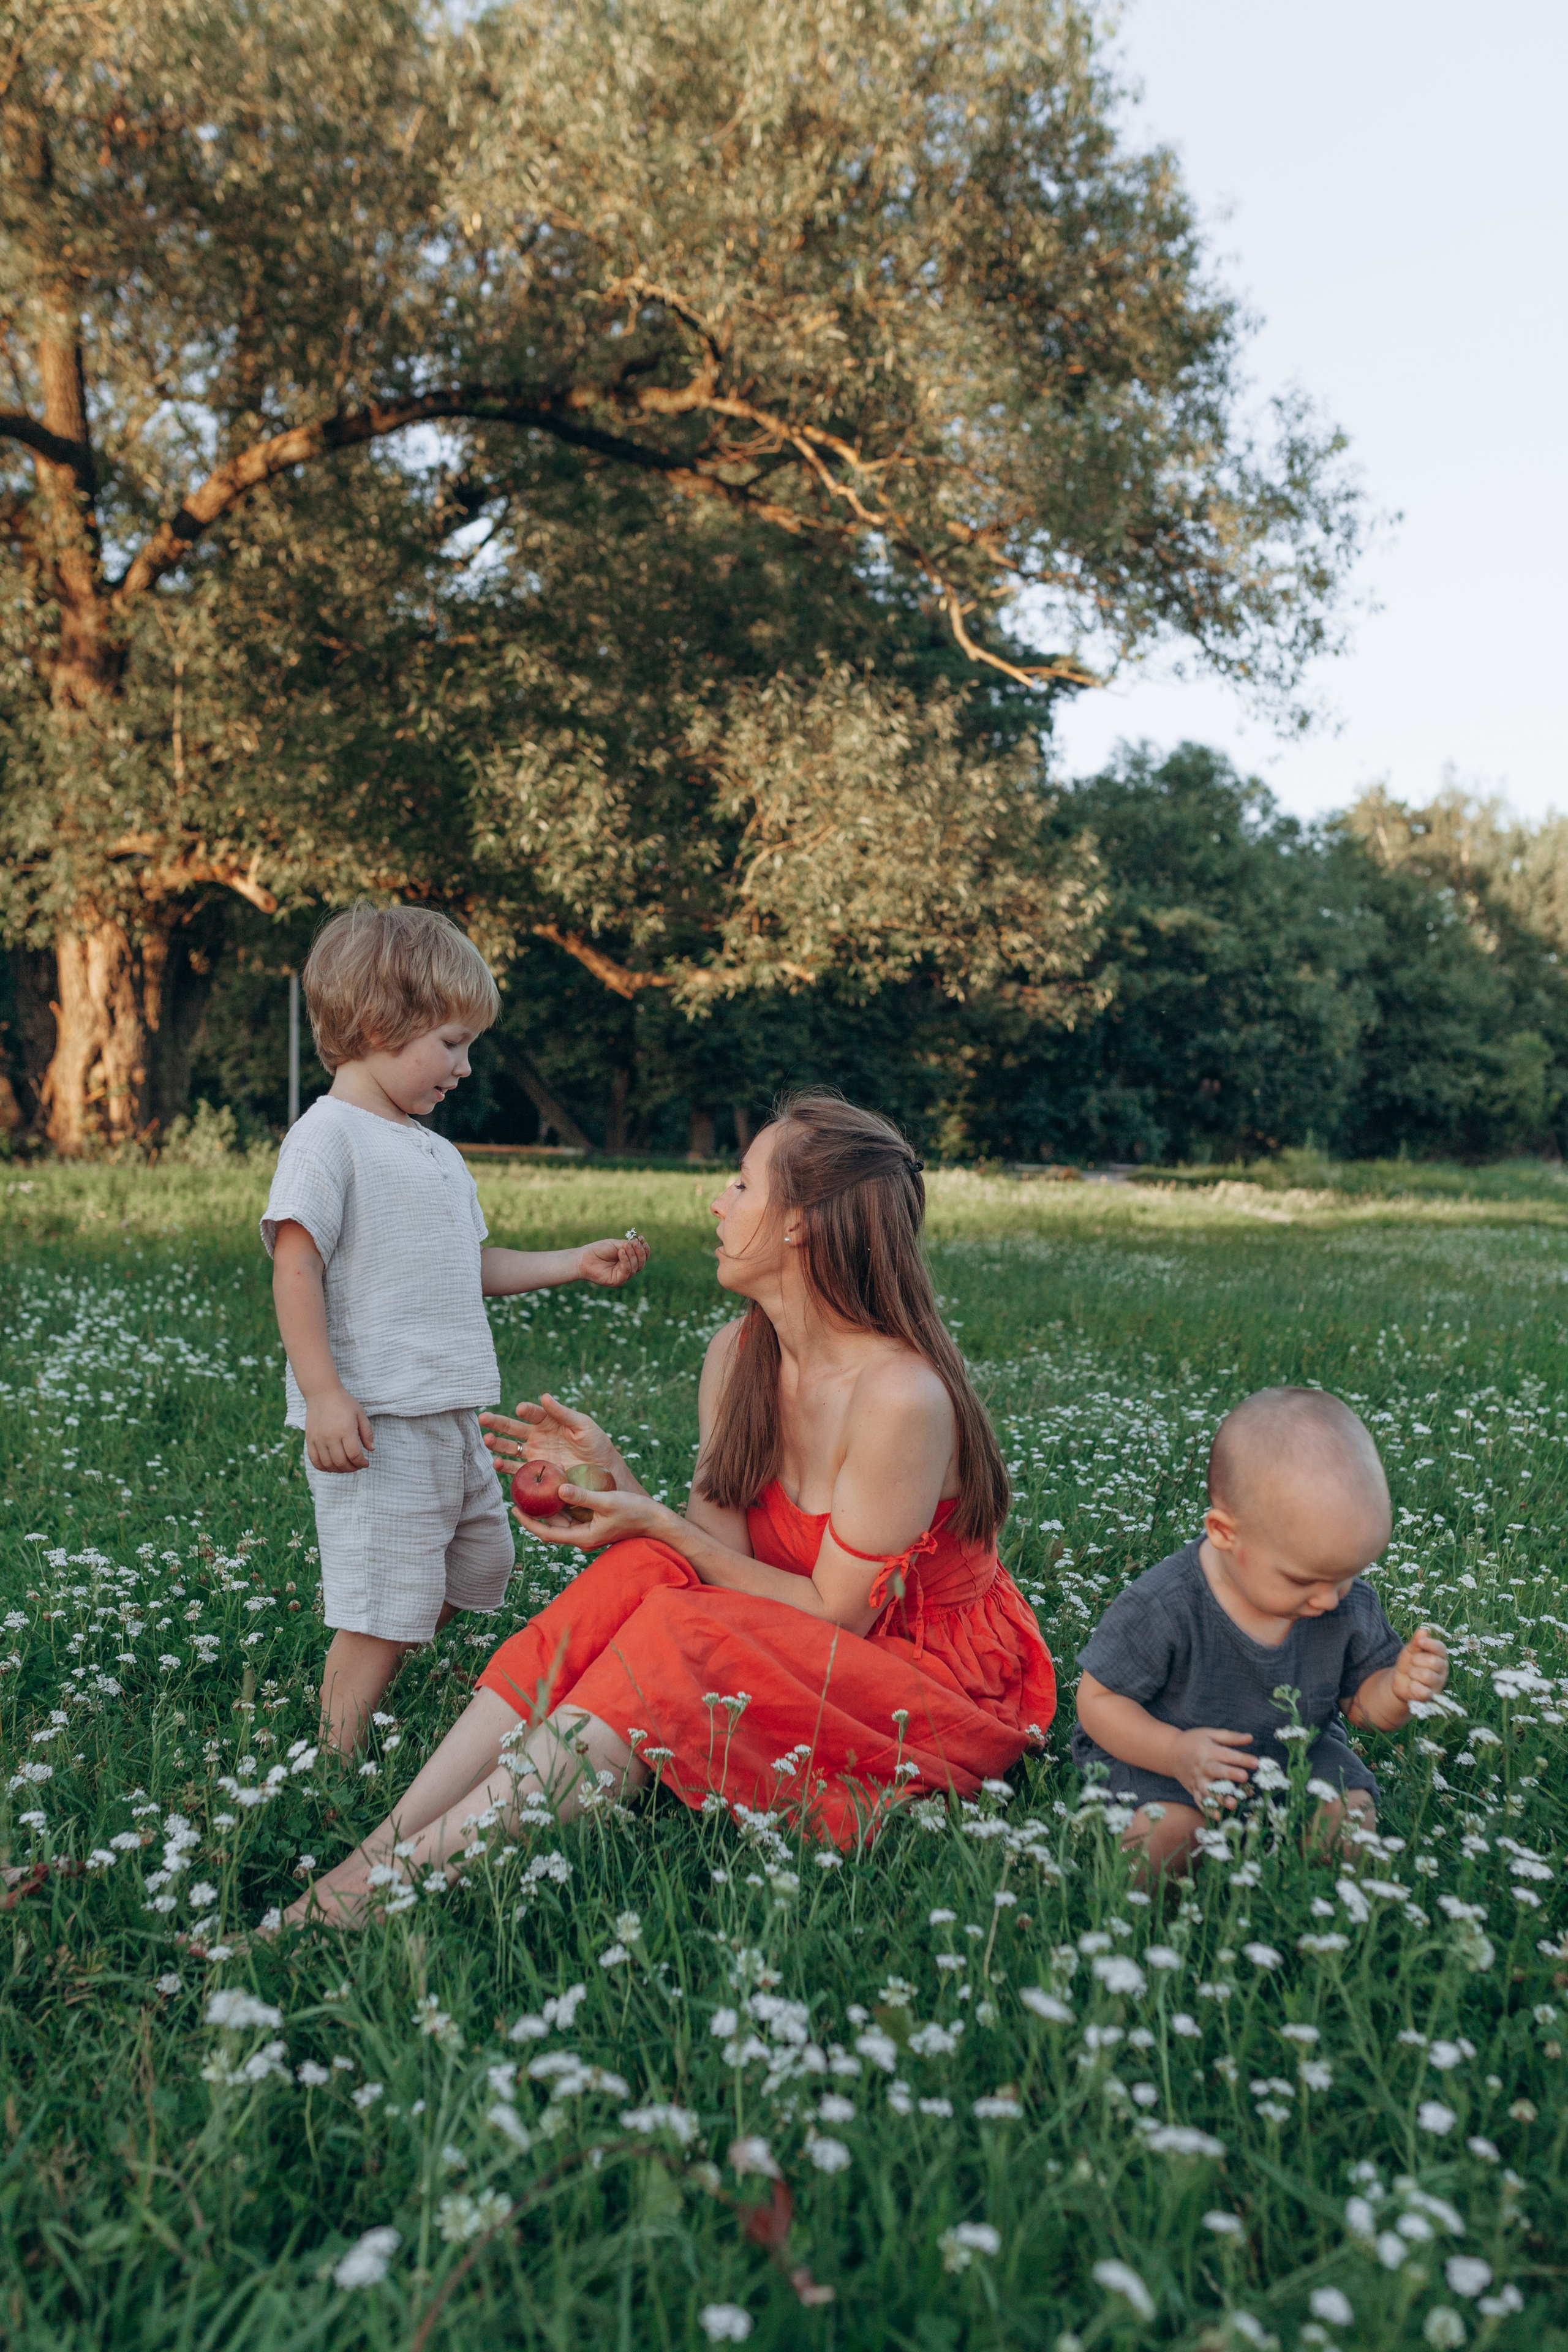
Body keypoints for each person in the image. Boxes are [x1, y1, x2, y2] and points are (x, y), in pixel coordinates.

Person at [282, 1091, 1055, 1927]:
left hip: (923, 1680)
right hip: (800, 1635)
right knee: (645, 1572)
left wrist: (651, 1522)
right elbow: (710, 1553)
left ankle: (373, 1892)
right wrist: (620, 1492)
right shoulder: (740, 1354)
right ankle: (386, 1844)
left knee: (676, 1627)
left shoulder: (899, 1396)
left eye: (742, 1184)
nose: (717, 1202)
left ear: (800, 1225)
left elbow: (840, 1617)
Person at [262, 903, 648, 1755]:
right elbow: (296, 1267)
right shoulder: (327, 1139)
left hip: (450, 1412)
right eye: (451, 1043)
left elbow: (467, 1265)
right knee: (382, 1601)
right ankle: (335, 1753)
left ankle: (390, 1653)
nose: (466, 1067)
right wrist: (324, 1395)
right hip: (377, 1420)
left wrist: (572, 1261)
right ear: (378, 1025)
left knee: (480, 1565)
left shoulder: (435, 1152)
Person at [1072, 1385, 1449, 1880]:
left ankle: (1318, 1906)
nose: (1329, 1599)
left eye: (1346, 1576)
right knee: (1169, 1834)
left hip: (1296, 1751)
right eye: (1303, 1580)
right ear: (1224, 1533)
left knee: (1349, 1817)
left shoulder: (1347, 1603)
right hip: (1169, 1753)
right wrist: (1173, 1752)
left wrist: (1397, 1691)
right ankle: (1146, 1916)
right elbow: (1098, 1701)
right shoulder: (1165, 1604)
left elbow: (1363, 1709)